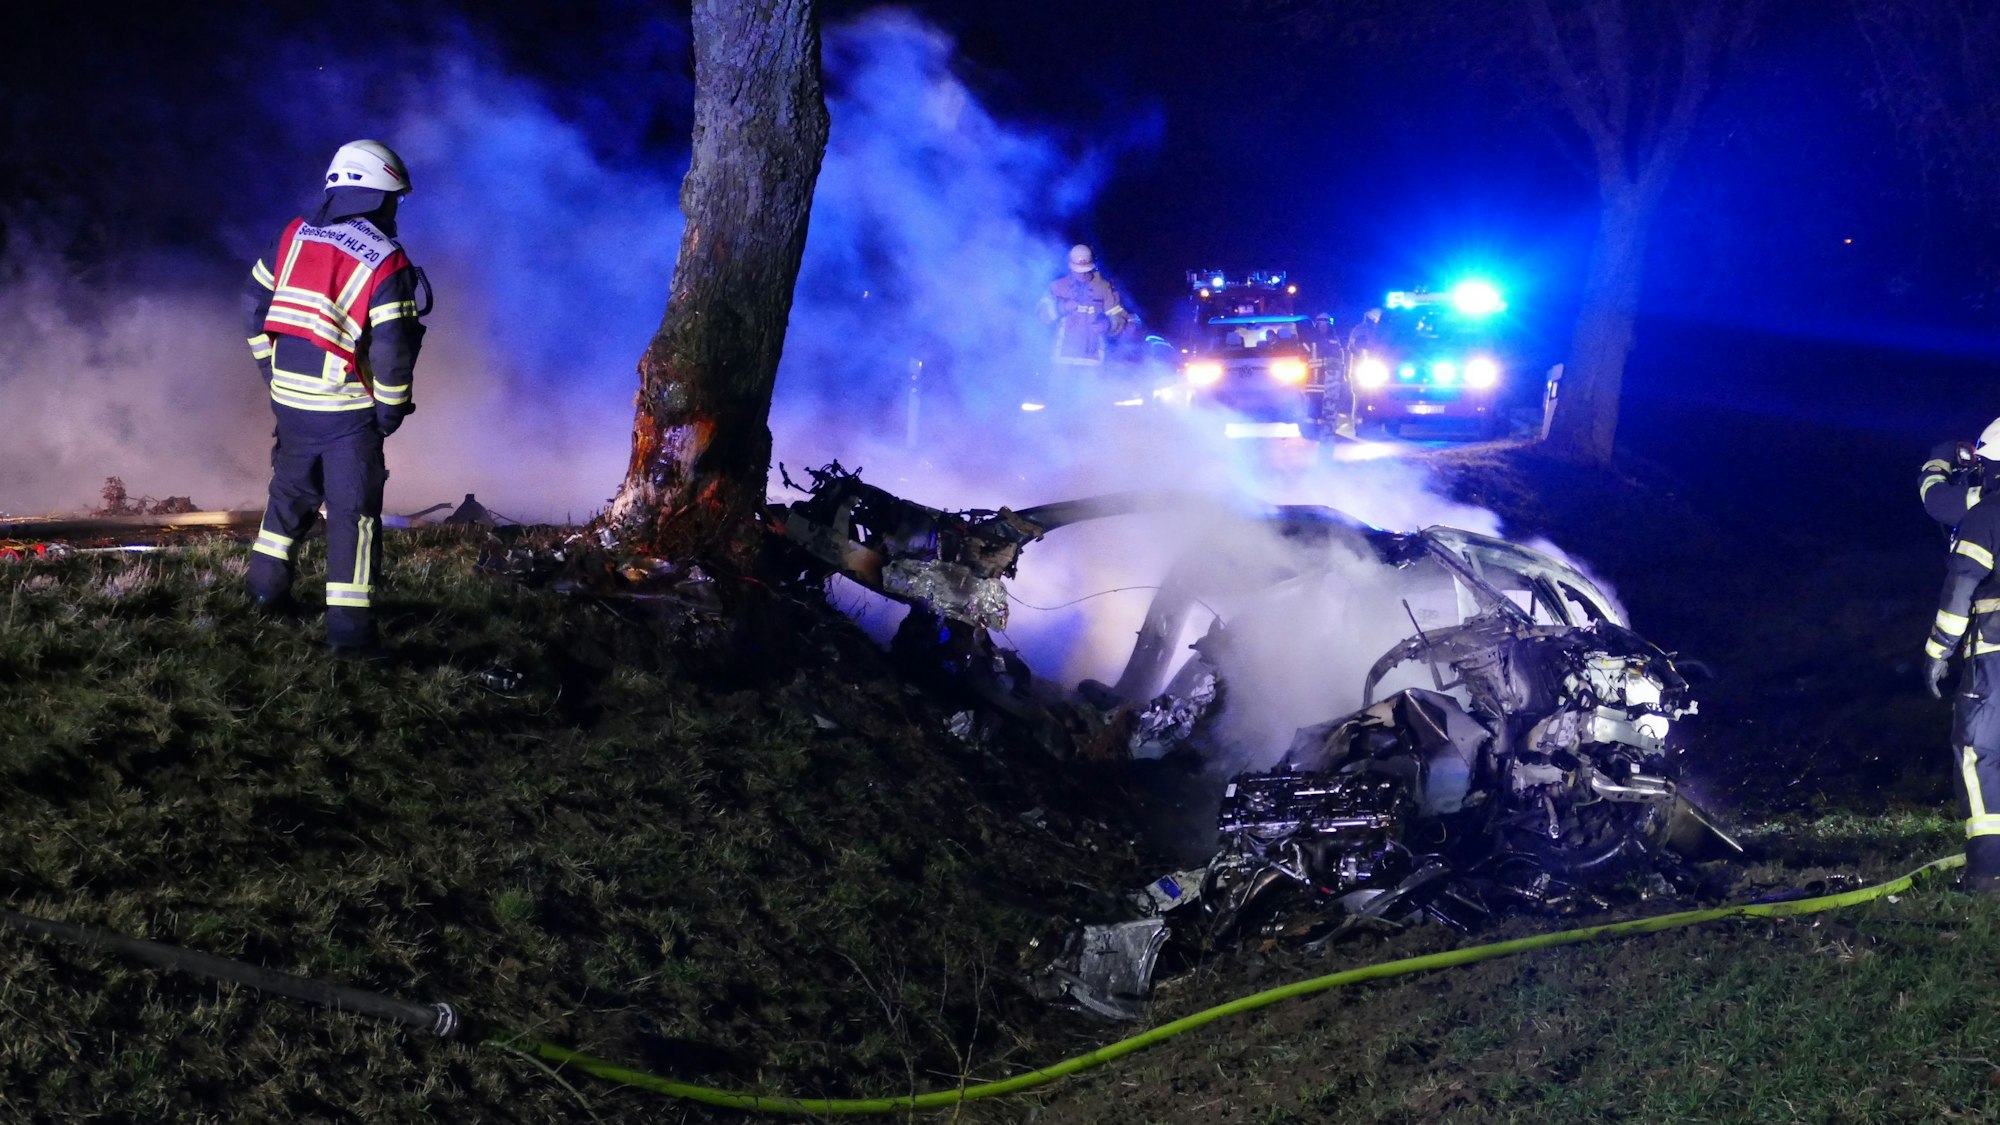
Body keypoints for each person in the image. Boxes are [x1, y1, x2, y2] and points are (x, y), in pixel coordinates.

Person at [243, 139, 427, 654]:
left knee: (288, 497)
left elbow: (252, 303)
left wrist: (270, 369)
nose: (396, 209)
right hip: (347, 414)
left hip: (291, 403)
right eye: (395, 198)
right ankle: (350, 636)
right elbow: (392, 348)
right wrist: (389, 411)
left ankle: (263, 593)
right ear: (378, 194)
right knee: (353, 517)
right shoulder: (386, 260)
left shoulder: (293, 235)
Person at [1922, 417, 2000, 891]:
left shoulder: (1987, 511)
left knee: (1980, 755)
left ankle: (1989, 871)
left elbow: (1962, 584)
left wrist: (1937, 651)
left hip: (1994, 657)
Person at [1036, 244, 1128, 370]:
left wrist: (1107, 324)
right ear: (1070, 266)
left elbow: (1119, 316)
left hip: (1093, 363)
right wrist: (1062, 306)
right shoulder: (1057, 287)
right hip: (1062, 361)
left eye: (1086, 270)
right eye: (1078, 271)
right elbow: (1041, 315)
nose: (1082, 275)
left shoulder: (1104, 288)